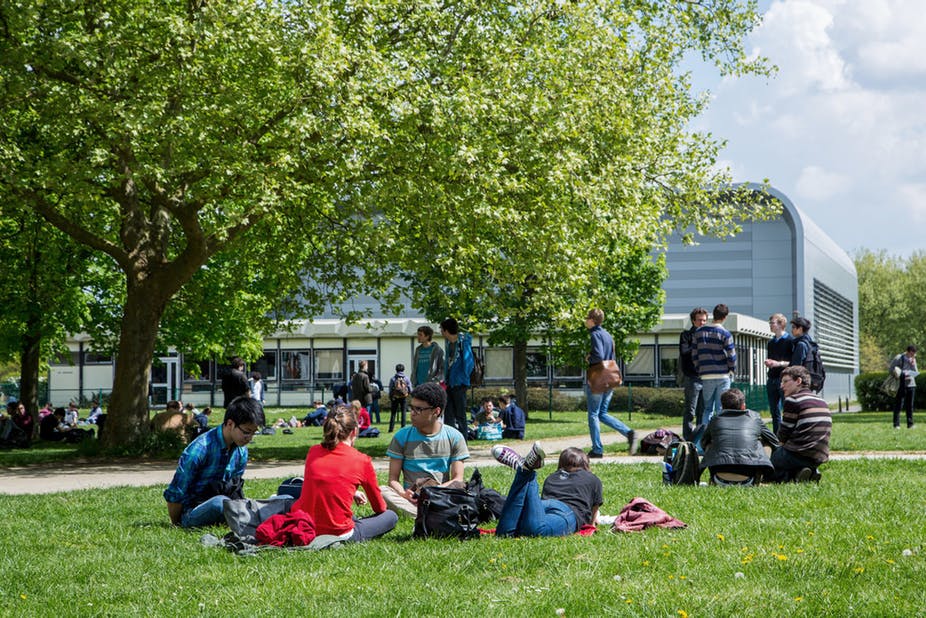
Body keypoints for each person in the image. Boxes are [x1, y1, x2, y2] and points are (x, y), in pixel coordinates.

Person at [292, 404, 398, 543]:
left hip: (306, 526)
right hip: (339, 533)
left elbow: (323, 482)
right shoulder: (361, 460)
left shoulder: (313, 452)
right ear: (354, 431)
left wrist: (351, 492)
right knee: (391, 516)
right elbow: (379, 507)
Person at [163, 396, 261, 527]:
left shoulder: (241, 451)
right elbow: (176, 492)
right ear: (230, 424)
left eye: (254, 433)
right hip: (192, 511)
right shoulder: (200, 448)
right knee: (220, 504)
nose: (249, 438)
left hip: (225, 502)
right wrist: (177, 523)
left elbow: (235, 487)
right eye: (247, 432)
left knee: (254, 505)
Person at [380, 382, 469, 517]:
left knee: (462, 488)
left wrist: (435, 491)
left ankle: (424, 514)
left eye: (418, 409)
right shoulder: (401, 436)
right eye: (411, 408)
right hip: (411, 500)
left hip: (441, 496)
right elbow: (393, 479)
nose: (412, 413)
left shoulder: (454, 437)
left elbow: (458, 479)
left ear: (436, 411)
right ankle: (428, 515)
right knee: (382, 491)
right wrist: (404, 494)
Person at [493, 444, 602, 537]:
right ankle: (527, 471)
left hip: (543, 505)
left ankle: (523, 469)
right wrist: (592, 525)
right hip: (568, 511)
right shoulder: (592, 478)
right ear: (585, 463)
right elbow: (595, 507)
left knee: (505, 534)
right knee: (536, 531)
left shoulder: (552, 477)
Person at [583, 308, 635, 458]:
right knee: (602, 413)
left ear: (592, 320)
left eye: (587, 318)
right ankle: (629, 433)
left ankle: (597, 449)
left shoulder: (594, 334)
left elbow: (598, 355)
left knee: (593, 414)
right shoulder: (607, 335)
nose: (586, 321)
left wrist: (589, 358)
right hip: (610, 377)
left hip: (598, 378)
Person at [699, 388, 779, 485]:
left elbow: (703, 442)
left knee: (710, 444)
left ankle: (714, 478)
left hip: (719, 478)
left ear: (722, 407)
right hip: (749, 479)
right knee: (765, 443)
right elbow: (774, 440)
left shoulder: (715, 419)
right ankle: (760, 478)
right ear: (743, 406)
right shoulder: (755, 418)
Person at [770, 366, 831, 483]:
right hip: (819, 456)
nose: (781, 386)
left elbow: (784, 433)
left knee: (767, 465)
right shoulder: (822, 401)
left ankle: (792, 476)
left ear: (798, 381)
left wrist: (776, 449)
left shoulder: (793, 400)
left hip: (797, 454)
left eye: (785, 381)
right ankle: (808, 472)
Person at [693, 303, 737, 427]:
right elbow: (731, 356)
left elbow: (695, 355)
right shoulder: (725, 334)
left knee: (707, 409)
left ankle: (703, 440)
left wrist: (699, 369)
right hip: (722, 374)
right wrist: (731, 370)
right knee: (721, 409)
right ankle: (720, 437)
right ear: (725, 317)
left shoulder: (699, 333)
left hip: (706, 375)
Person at [441, 317, 474, 434]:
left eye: (441, 329)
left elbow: (469, 362)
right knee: (448, 414)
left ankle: (463, 442)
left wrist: (463, 377)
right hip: (450, 383)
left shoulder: (463, 343)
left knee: (460, 415)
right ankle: (451, 441)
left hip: (460, 384)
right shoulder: (448, 344)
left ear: (446, 330)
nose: (440, 332)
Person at [679, 307, 708, 440]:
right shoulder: (686, 335)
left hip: (706, 378)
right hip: (692, 378)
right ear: (693, 321)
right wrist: (698, 343)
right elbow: (684, 352)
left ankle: (699, 439)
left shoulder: (708, 335)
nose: (702, 323)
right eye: (699, 320)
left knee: (703, 411)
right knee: (690, 410)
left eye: (704, 320)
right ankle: (688, 439)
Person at [763, 313, 794, 434]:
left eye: (772, 323)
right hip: (772, 378)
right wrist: (770, 363)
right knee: (774, 411)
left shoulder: (790, 341)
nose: (770, 325)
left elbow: (793, 362)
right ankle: (777, 437)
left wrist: (778, 363)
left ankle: (788, 435)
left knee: (787, 409)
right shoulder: (771, 343)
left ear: (781, 324)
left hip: (784, 379)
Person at [889, 345, 918, 429]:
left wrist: (912, 364)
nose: (913, 356)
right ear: (908, 351)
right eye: (912, 354)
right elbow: (891, 369)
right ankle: (896, 424)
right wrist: (901, 374)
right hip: (901, 384)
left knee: (910, 405)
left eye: (914, 354)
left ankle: (910, 424)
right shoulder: (899, 357)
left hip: (911, 384)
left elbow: (915, 372)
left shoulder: (913, 359)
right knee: (899, 404)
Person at [388, 364, 413, 432]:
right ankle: (403, 428)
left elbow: (390, 389)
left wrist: (390, 397)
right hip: (403, 397)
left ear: (396, 370)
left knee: (393, 413)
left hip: (395, 397)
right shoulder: (406, 378)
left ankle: (391, 428)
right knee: (403, 412)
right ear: (403, 370)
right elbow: (410, 389)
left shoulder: (393, 378)